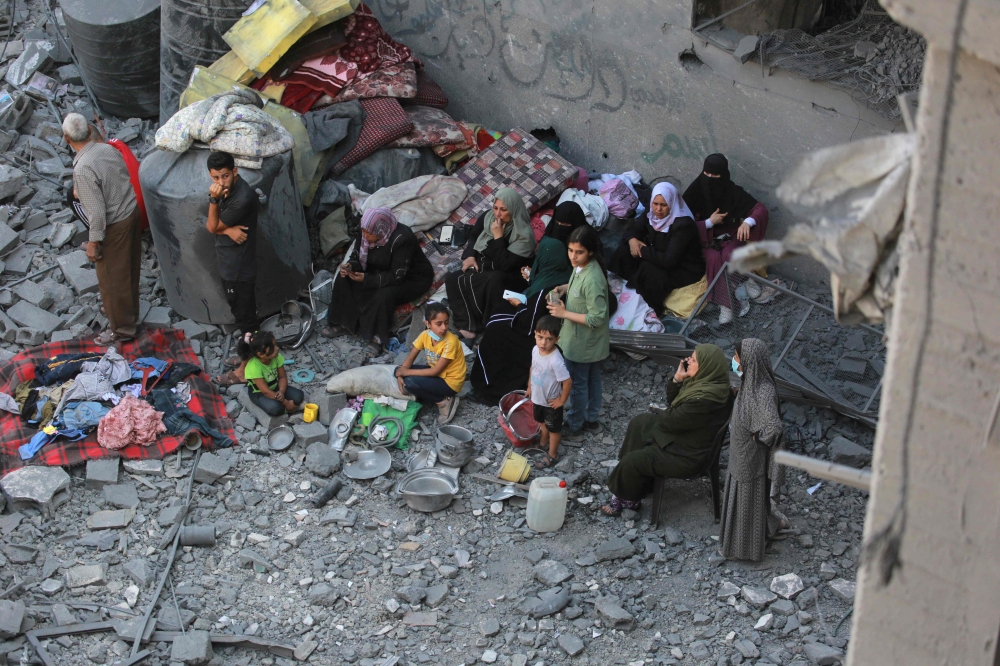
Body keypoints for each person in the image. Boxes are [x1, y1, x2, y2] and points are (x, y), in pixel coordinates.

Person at [470, 201, 588, 403]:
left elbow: (531, 320)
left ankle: (495, 389)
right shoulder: (556, 261)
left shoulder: (575, 271)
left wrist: (520, 305)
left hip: (540, 327)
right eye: (557, 222)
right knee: (497, 312)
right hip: (534, 309)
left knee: (497, 333)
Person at [603, 344, 733, 516]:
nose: (688, 362)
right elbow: (674, 409)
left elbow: (669, 421)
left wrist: (671, 408)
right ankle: (634, 480)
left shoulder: (703, 400)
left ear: (707, 365)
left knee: (633, 460)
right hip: (688, 438)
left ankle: (628, 499)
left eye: (694, 360)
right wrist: (678, 379)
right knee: (640, 422)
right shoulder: (716, 387)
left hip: (686, 455)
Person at [63, 112, 141, 345]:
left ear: (67, 139)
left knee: (111, 280)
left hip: (115, 224)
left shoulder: (83, 168)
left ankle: (122, 330)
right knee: (128, 269)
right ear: (89, 130)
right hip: (131, 212)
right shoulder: (107, 149)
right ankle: (126, 313)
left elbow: (96, 213)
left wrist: (94, 242)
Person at [320, 207, 434, 356]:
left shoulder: (402, 239)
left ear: (380, 229)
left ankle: (377, 338)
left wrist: (367, 279)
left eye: (369, 233)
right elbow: (357, 255)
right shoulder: (365, 231)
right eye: (364, 231)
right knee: (344, 278)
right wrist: (350, 266)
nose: (365, 236)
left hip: (411, 279)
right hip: (380, 270)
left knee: (383, 295)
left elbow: (396, 277)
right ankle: (344, 323)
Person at [682, 153, 774, 324]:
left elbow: (759, 209)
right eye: (706, 175)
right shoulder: (694, 192)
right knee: (714, 258)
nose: (709, 180)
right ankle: (727, 305)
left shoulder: (732, 191)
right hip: (704, 239)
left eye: (714, 176)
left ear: (723, 176)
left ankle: (747, 280)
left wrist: (748, 221)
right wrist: (709, 222)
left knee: (730, 253)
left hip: (729, 235)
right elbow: (682, 225)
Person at [719, 338, 788, 561]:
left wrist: (758, 438)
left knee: (748, 500)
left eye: (737, 357)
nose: (734, 361)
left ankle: (746, 550)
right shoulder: (750, 382)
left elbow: (774, 426)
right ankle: (766, 527)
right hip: (740, 457)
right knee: (741, 499)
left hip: (750, 458)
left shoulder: (763, 391)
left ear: (750, 360)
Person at [445, 188, 536, 338]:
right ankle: (467, 325)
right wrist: (470, 255)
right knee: (453, 279)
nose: (497, 214)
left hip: (511, 274)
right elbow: (473, 236)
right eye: (495, 208)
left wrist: (498, 237)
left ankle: (489, 324)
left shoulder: (523, 235)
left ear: (513, 210)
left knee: (494, 281)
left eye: (503, 210)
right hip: (487, 264)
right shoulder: (488, 218)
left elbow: (505, 265)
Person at [546, 224, 610, 436]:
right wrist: (565, 289)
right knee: (591, 379)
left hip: (582, 341)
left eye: (579, 252)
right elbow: (578, 285)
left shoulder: (592, 278)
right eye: (570, 250)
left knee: (579, 383)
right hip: (587, 341)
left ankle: (575, 423)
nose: (573, 256)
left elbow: (597, 317)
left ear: (590, 251)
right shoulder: (584, 267)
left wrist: (563, 314)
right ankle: (591, 419)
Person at [608, 182, 704, 316]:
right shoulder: (651, 211)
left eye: (664, 205)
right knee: (625, 250)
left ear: (672, 203)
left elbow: (669, 260)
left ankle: (646, 308)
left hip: (682, 267)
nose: (658, 209)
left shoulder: (683, 225)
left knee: (650, 271)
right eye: (655, 204)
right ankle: (619, 288)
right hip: (656, 252)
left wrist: (642, 250)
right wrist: (632, 240)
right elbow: (633, 229)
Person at [205, 151, 260, 336]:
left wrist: (213, 200)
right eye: (216, 177)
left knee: (244, 314)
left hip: (238, 266)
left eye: (225, 176)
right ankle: (249, 353)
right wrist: (228, 230)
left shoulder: (241, 199)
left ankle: (250, 359)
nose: (221, 182)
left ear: (235, 171)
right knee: (240, 308)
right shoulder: (226, 190)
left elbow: (212, 226)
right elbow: (213, 226)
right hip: (230, 260)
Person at [395, 303, 466, 424]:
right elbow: (410, 359)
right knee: (398, 369)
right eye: (438, 324)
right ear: (427, 324)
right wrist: (400, 374)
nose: (444, 327)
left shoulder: (451, 342)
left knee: (410, 382)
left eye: (446, 322)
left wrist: (405, 373)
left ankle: (443, 401)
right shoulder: (424, 336)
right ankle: (423, 391)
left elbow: (435, 371)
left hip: (450, 383)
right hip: (438, 376)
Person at [527, 315, 572, 468]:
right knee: (542, 422)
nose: (543, 343)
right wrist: (529, 386)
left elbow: (567, 381)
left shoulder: (555, 360)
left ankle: (552, 454)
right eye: (540, 337)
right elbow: (532, 368)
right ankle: (542, 443)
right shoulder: (535, 350)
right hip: (538, 398)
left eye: (549, 339)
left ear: (556, 339)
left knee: (554, 428)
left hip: (551, 401)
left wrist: (561, 401)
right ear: (535, 334)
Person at [240, 331, 304, 416]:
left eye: (275, 345)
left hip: (274, 386)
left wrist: (281, 391)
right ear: (261, 354)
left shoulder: (276, 357)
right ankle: (288, 408)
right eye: (273, 347)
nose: (277, 348)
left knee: (299, 396)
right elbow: (266, 392)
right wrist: (285, 402)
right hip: (260, 392)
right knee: (275, 409)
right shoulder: (253, 367)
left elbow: (282, 377)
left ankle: (287, 406)